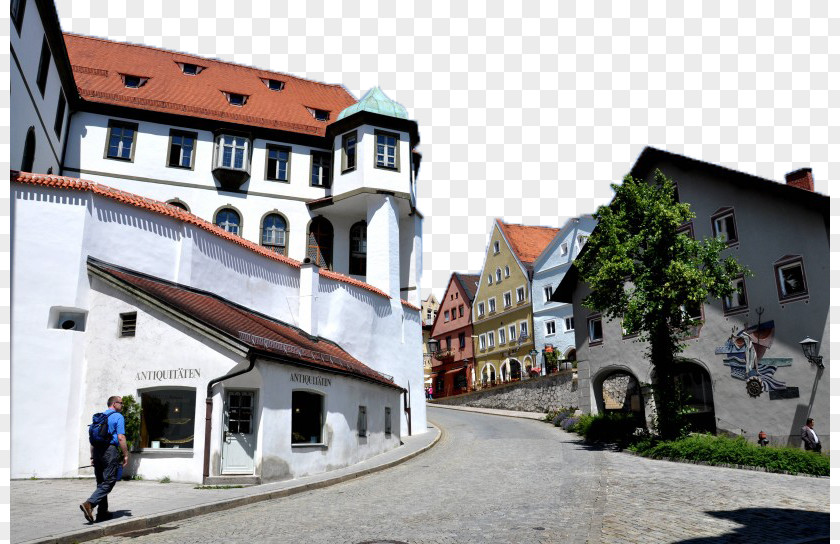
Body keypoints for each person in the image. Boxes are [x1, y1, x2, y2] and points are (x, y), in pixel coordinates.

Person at [80, 396, 129, 523]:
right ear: (114, 403)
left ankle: (102, 513)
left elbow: (93, 440)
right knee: (110, 480)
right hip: (109, 451)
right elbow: (121, 437)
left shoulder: (100, 417)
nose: (122, 405)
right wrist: (125, 454)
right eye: (121, 403)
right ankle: (89, 504)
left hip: (97, 451)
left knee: (101, 482)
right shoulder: (118, 416)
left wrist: (92, 456)